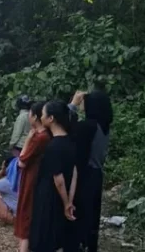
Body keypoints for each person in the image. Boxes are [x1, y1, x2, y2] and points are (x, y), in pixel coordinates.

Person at [67, 90, 113, 252]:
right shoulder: (103, 126)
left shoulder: (89, 126)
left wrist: (73, 104)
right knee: (92, 215)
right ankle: (89, 246)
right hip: (97, 174)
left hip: (84, 174)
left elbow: (65, 129)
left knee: (78, 214)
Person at [29, 100, 78, 252]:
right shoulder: (70, 141)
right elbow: (75, 172)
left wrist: (65, 204)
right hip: (62, 195)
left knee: (43, 238)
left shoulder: (53, 146)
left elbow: (58, 179)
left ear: (51, 119)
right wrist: (69, 199)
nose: (41, 117)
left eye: (43, 114)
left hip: (49, 196)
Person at [14, 101, 51, 252]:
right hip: (37, 177)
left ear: (35, 116)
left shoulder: (39, 138)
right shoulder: (47, 135)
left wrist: (28, 139)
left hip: (31, 177)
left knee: (26, 213)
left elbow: (22, 162)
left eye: (30, 113)